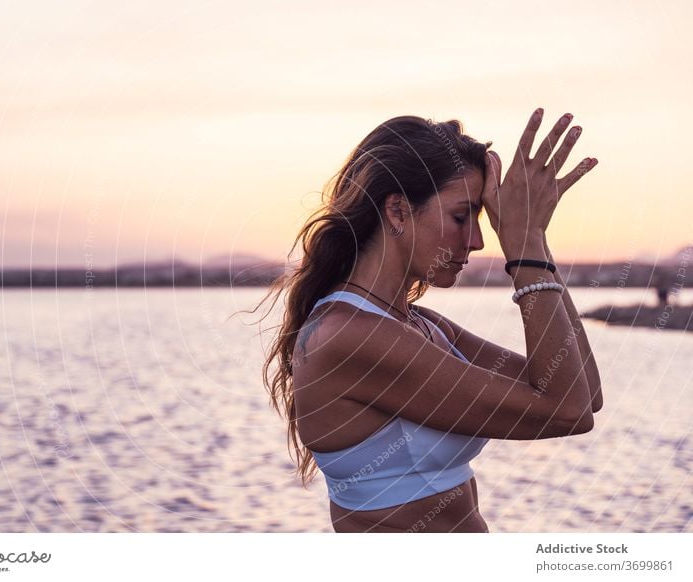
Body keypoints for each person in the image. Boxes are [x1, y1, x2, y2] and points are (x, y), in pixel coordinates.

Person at [255, 109, 604, 533]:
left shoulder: (422, 326)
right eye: (462, 216)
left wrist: (536, 242)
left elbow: (585, 393)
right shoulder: (350, 336)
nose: (476, 241)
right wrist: (523, 242)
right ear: (398, 211)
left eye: (481, 219)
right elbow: (566, 412)